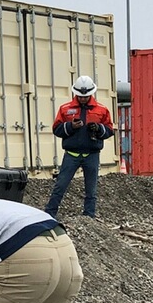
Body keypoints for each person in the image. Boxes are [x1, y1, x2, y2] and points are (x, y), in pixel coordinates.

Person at [44, 76, 114, 219]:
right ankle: (49, 214)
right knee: (60, 186)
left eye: (86, 96)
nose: (83, 99)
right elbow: (56, 129)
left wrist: (99, 129)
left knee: (91, 189)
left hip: (92, 154)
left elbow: (109, 130)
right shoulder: (65, 109)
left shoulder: (102, 109)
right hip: (71, 154)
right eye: (80, 96)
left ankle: (89, 217)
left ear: (91, 93)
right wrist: (70, 126)